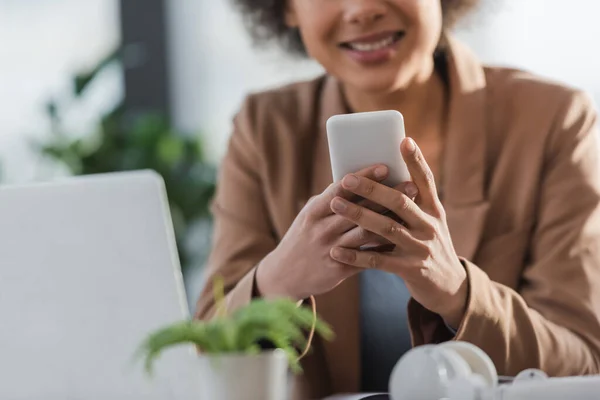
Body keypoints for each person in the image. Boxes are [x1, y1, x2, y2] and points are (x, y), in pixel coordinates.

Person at [195, 0, 600, 398]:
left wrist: (459, 295)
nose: (361, 9)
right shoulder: (264, 129)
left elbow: (585, 359)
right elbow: (197, 353)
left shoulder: (552, 120)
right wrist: (278, 281)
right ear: (284, 8)